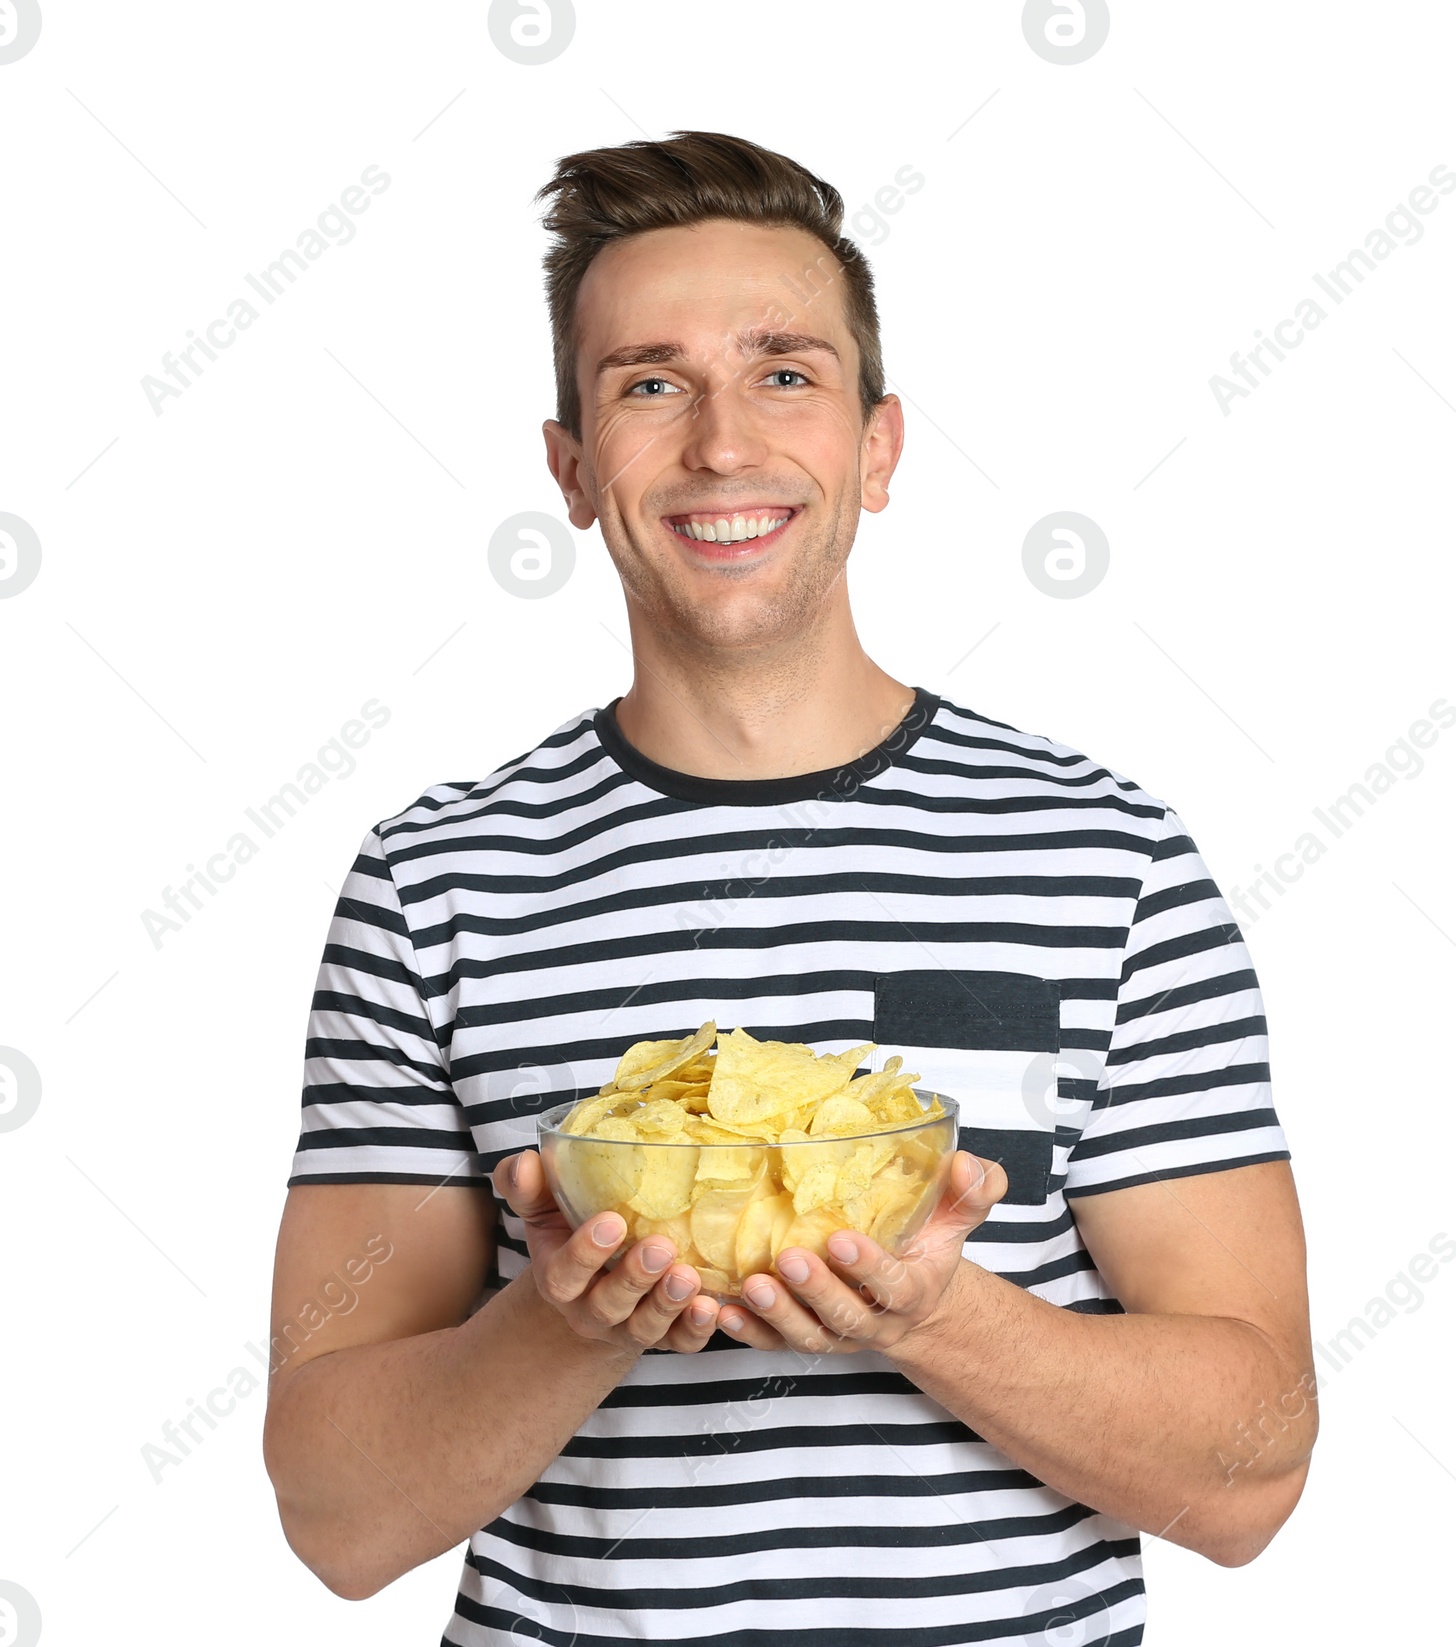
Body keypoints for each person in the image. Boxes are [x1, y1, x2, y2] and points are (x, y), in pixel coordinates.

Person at [262, 129, 1316, 1645]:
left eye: (784, 374)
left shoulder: (1108, 857)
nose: (721, 446)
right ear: (570, 467)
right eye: (646, 384)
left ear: (878, 447)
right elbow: (337, 1520)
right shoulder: (435, 881)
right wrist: (562, 1326)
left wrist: (934, 1313)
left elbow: (1252, 1474)